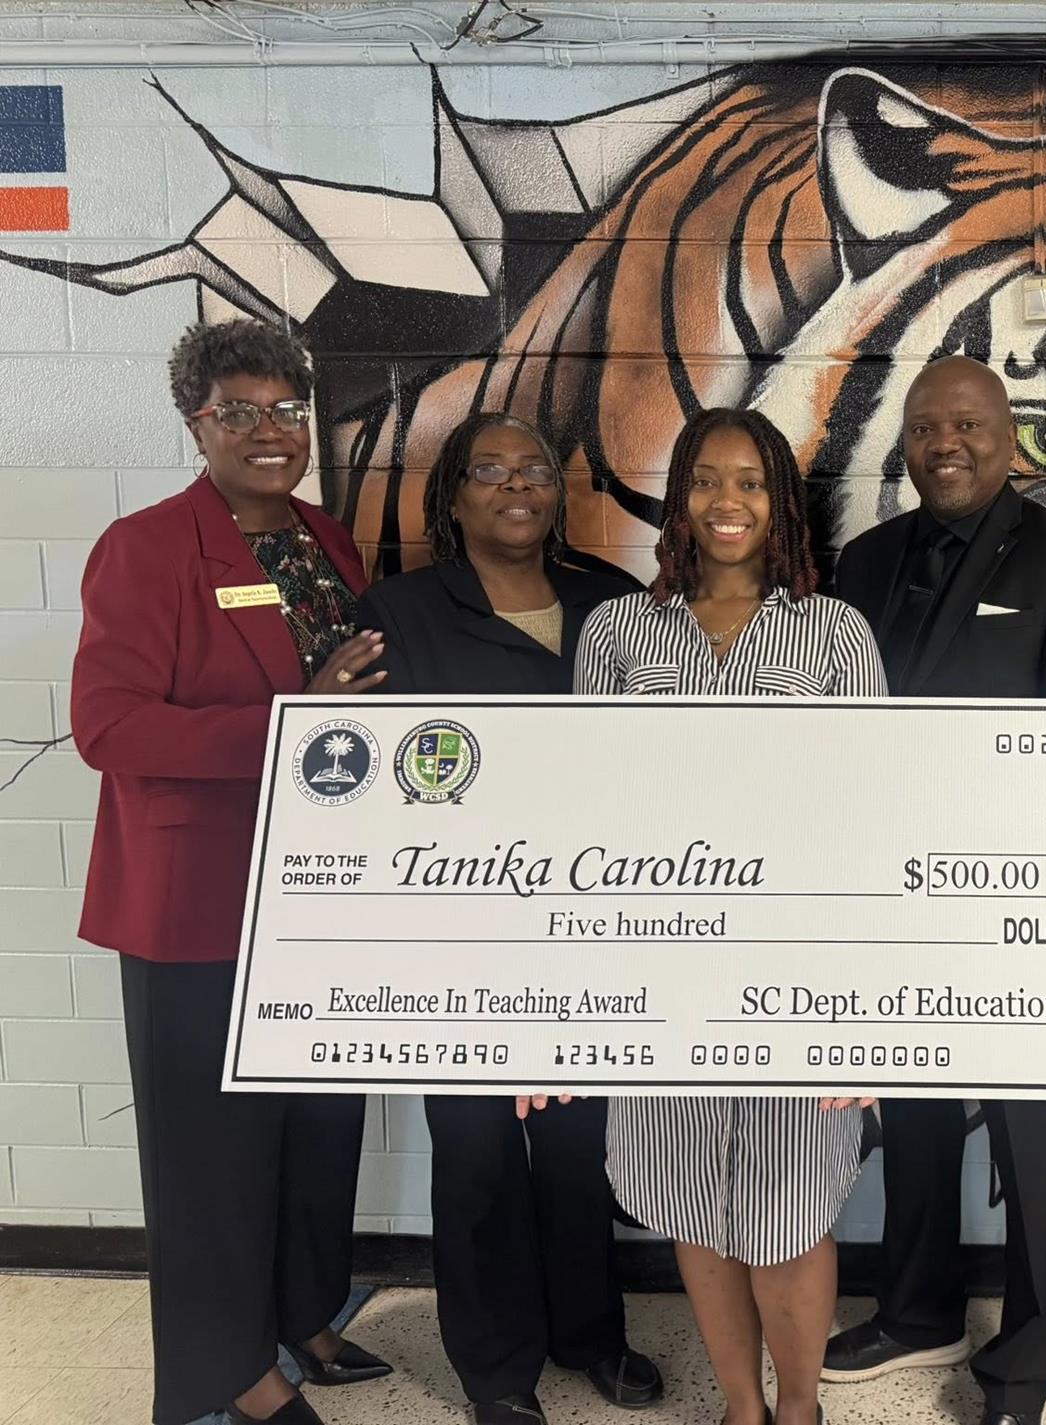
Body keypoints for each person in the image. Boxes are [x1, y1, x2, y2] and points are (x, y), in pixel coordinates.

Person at [71, 319, 392, 1425]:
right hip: (193, 909)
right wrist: (287, 728)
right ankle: (231, 1373)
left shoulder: (326, 542)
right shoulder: (147, 547)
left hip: (316, 896)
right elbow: (108, 729)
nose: (268, 431)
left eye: (285, 411)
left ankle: (302, 1314)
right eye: (238, 412)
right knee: (211, 1158)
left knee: (314, 1123)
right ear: (194, 423)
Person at [824, 355, 1046, 1425]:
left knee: (1032, 1131)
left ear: (1008, 439)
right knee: (908, 1110)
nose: (944, 444)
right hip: (890, 899)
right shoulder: (861, 563)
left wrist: (1042, 909)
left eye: (966, 425)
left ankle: (1025, 1362)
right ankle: (916, 1309)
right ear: (902, 442)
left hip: (1018, 904)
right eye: (923, 427)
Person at [573, 407, 884, 1425]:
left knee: (789, 1208)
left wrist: (859, 1011)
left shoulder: (834, 633)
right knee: (693, 1200)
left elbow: (874, 821)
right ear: (679, 498)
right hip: (658, 969)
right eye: (706, 479)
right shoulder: (620, 631)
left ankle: (798, 1408)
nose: (727, 501)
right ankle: (740, 1409)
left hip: (794, 969)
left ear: (781, 501)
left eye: (751, 481)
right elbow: (575, 811)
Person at [352, 413, 661, 1425]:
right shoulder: (400, 610)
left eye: (535, 471)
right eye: (491, 471)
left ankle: (589, 1336)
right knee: (478, 1148)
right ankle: (495, 1369)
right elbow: (362, 776)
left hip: (586, 924)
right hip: (460, 932)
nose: (517, 486)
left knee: (578, 1145)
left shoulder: (612, 603)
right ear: (453, 495)